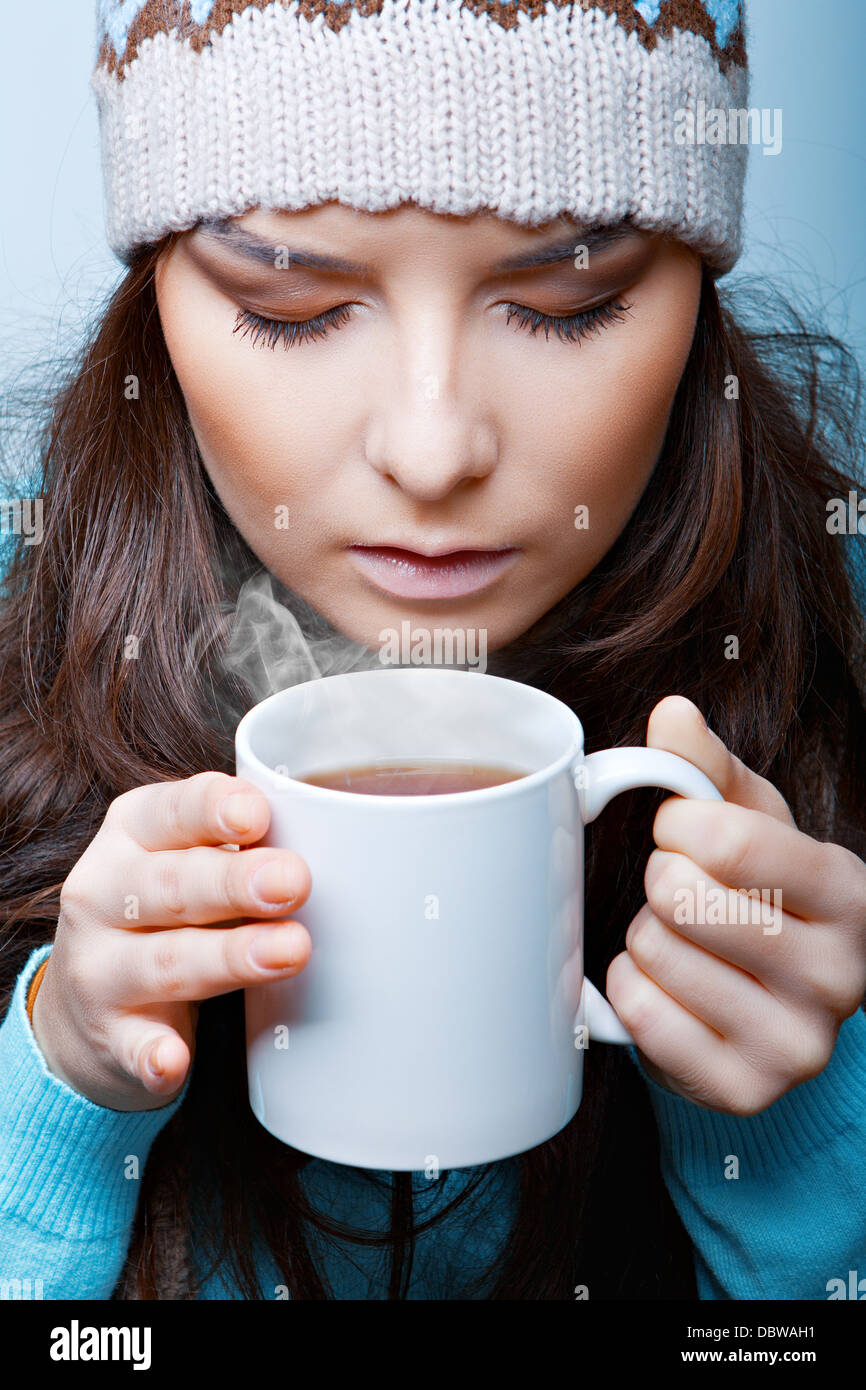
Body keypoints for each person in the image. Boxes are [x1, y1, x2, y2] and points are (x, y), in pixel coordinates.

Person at [0, 0, 864, 1301]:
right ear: (159, 300)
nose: (431, 446)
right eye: (288, 306)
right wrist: (63, 1085)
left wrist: (788, 1121)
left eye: (570, 301)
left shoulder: (837, 633)